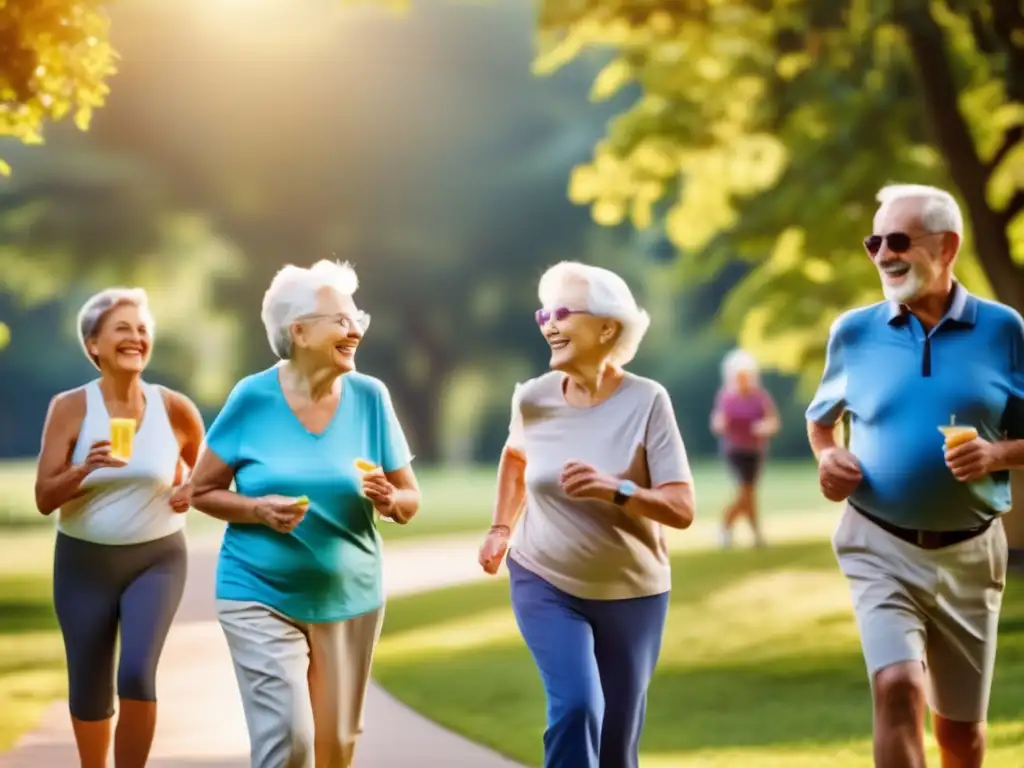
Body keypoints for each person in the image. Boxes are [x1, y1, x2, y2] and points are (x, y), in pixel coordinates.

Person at [806, 183, 1024, 768]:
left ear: (947, 246)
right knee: (897, 686)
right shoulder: (853, 332)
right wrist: (829, 459)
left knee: (961, 736)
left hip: (972, 553)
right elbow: (821, 424)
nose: (882, 254)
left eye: (898, 240)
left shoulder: (1004, 331)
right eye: (874, 241)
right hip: (878, 543)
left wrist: (995, 455)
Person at [189, 259, 420, 768]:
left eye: (357, 316)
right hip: (258, 593)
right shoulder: (252, 397)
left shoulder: (370, 397)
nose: (354, 328)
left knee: (336, 747)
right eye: (340, 319)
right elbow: (200, 490)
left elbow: (410, 500)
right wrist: (254, 509)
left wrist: (389, 500)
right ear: (298, 331)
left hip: (350, 597)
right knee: (289, 740)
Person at [477, 261, 695, 768]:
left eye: (561, 313)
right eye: (542, 314)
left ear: (606, 327)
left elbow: (682, 508)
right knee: (576, 707)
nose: (548, 325)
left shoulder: (647, 401)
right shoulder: (532, 399)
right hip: (544, 577)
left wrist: (615, 489)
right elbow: (515, 456)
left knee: (618, 746)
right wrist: (500, 527)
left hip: (633, 592)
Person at [33, 288, 205, 768]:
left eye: (142, 329)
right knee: (88, 685)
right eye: (122, 329)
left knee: (135, 674)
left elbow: (211, 475)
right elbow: (45, 498)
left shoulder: (174, 408)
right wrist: (82, 470)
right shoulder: (70, 408)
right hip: (82, 563)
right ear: (94, 345)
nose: (136, 337)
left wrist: (190, 489)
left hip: (156, 558)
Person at [710, 348, 780, 549]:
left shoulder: (760, 397)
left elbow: (773, 421)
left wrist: (764, 427)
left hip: (755, 451)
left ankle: (754, 535)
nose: (742, 379)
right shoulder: (726, 397)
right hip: (735, 450)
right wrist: (720, 424)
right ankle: (728, 526)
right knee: (745, 492)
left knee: (749, 494)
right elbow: (717, 422)